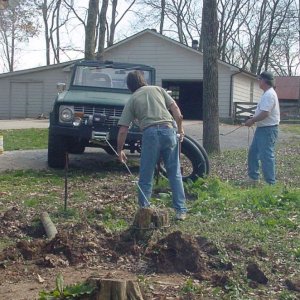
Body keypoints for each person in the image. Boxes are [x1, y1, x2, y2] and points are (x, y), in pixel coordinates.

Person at [117, 70, 187, 220]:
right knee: (174, 173)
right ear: (143, 80)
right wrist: (180, 130)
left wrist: (120, 150)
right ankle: (181, 211)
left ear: (130, 86)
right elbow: (176, 112)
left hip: (150, 133)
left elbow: (123, 130)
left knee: (146, 175)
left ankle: (144, 210)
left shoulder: (132, 99)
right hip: (169, 131)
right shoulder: (158, 89)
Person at [245, 71, 280, 185]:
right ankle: (253, 178)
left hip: (268, 130)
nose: (258, 81)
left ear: (265, 81)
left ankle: (271, 183)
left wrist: (252, 120)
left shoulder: (269, 94)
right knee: (253, 153)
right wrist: (254, 117)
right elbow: (263, 112)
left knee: (266, 156)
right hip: (262, 129)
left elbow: (266, 113)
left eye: (260, 79)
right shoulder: (266, 93)